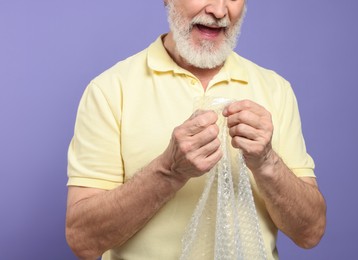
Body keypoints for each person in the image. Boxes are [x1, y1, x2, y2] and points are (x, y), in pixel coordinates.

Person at [65, 0, 326, 259]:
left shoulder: (276, 90)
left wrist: (268, 162)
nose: (219, 10)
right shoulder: (110, 91)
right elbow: (83, 240)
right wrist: (169, 170)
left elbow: (310, 232)